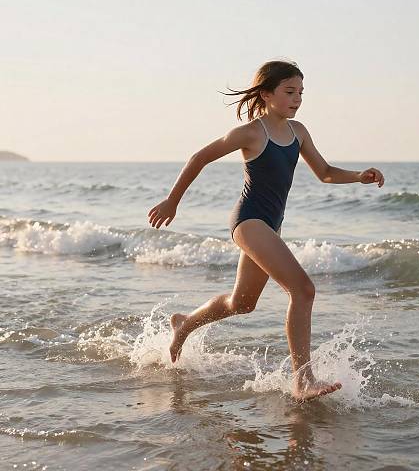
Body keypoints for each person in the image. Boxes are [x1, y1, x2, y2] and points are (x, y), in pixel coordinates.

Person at [148, 59, 385, 402]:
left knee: (241, 303)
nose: (297, 99)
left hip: (271, 225)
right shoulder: (251, 132)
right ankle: (303, 380)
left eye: (301, 92)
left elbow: (325, 172)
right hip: (249, 221)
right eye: (289, 92)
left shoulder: (298, 132)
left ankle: (185, 323)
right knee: (303, 290)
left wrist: (359, 176)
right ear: (266, 93)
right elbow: (199, 157)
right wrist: (172, 201)